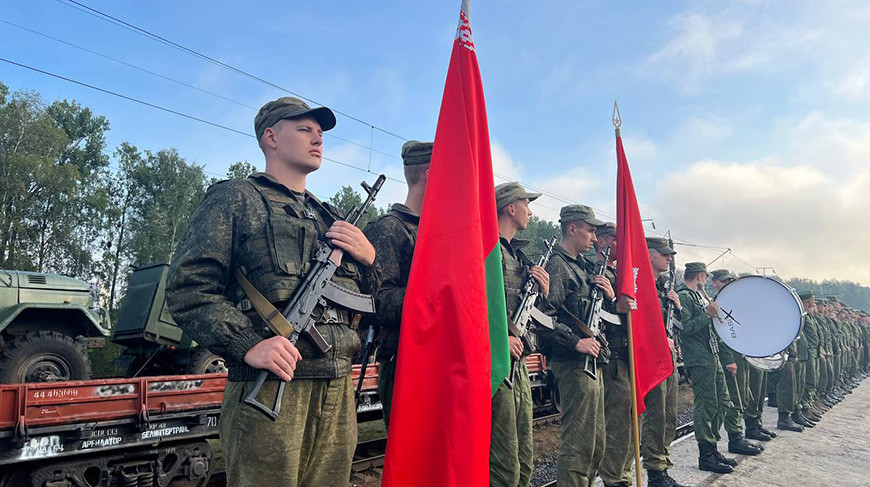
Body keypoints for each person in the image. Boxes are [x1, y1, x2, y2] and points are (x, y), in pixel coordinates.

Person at [165, 97, 380, 486]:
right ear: (270, 137)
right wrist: (248, 343)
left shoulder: (329, 216)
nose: (318, 139)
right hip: (271, 392)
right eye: (304, 129)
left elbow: (368, 300)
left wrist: (369, 259)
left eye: (320, 133)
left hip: (337, 390)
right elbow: (189, 287)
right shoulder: (237, 198)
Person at [538, 204, 615, 487]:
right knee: (579, 444)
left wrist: (608, 295)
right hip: (572, 363)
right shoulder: (557, 265)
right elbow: (543, 318)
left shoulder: (582, 267)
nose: (595, 238)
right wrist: (576, 342)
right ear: (572, 228)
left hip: (592, 362)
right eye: (591, 231)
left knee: (596, 444)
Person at [361, 140, 431, 428]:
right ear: (431, 173)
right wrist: (435, 293)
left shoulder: (438, 232)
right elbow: (374, 303)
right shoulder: (388, 228)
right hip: (406, 359)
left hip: (440, 358)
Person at [490, 182, 550, 487]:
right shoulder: (488, 251)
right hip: (497, 364)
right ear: (510, 207)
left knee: (524, 456)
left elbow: (536, 316)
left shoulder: (518, 257)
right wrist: (497, 341)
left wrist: (543, 292)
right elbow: (474, 303)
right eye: (526, 203)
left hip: (519, 364)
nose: (530, 210)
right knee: (503, 463)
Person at [677, 262, 755, 475]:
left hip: (711, 357)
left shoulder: (698, 296)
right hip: (699, 358)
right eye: (704, 278)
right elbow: (685, 329)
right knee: (707, 403)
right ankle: (706, 453)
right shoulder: (684, 296)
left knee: (723, 402)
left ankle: (713, 447)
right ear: (700, 276)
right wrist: (707, 315)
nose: (706, 281)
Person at [641, 238, 688, 487]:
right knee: (656, 415)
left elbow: (680, 326)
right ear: (649, 254)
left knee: (669, 414)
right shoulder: (642, 284)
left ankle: (662, 466)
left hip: (667, 357)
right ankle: (655, 472)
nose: (669, 258)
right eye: (664, 254)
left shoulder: (663, 287)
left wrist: (678, 308)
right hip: (653, 358)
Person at [596, 223, 636, 487]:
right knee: (618, 420)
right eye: (614, 239)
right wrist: (613, 301)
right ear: (601, 241)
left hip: (628, 353)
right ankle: (613, 477)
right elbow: (595, 316)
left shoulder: (619, 274)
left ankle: (624, 472)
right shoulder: (595, 271)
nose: (620, 245)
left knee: (632, 418)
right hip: (611, 356)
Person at [709, 270, 770, 446]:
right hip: (731, 357)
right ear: (714, 283)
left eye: (728, 281)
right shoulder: (717, 303)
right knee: (735, 397)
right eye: (722, 282)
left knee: (745, 395)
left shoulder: (732, 301)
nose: (726, 284)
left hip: (741, 355)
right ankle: (735, 437)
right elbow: (721, 335)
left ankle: (747, 429)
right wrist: (729, 359)